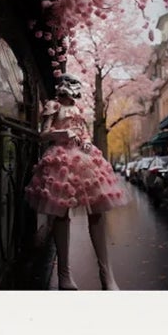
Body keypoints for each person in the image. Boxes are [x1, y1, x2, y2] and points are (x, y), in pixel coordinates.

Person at [25, 112, 124, 289]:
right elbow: (43, 135)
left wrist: (86, 141)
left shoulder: (78, 107)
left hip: (84, 159)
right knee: (61, 212)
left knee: (96, 210)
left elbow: (84, 131)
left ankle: (107, 275)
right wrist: (61, 134)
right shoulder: (53, 106)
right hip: (60, 161)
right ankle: (64, 275)